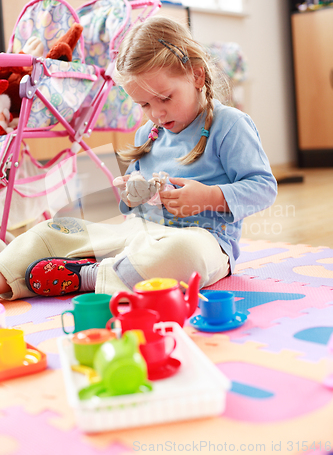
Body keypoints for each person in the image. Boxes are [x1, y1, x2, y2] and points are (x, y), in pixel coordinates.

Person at [0, 16, 277, 301]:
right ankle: (8, 271)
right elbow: (131, 204)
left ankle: (87, 275)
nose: (156, 113)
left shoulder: (229, 125)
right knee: (54, 229)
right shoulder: (149, 132)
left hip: (203, 239)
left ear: (196, 75)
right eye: (144, 104)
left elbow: (264, 188)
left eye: (165, 98)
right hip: (137, 235)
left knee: (184, 255)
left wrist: (210, 197)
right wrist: (128, 194)